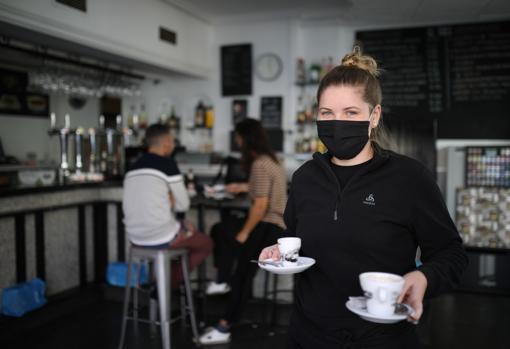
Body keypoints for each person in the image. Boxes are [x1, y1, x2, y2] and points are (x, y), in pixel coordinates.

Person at [259, 47, 469, 348]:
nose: (337, 123)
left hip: (383, 337)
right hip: (309, 335)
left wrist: (424, 278)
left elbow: (451, 254)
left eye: (351, 113)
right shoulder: (305, 177)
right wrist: (279, 250)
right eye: (326, 113)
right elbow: (294, 235)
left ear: (374, 115)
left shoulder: (409, 178)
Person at [199, 118, 289, 345]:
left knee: (227, 242)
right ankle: (224, 289)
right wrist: (240, 187)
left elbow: (260, 207)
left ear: (246, 139)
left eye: (238, 138)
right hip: (278, 226)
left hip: (267, 225)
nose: (237, 142)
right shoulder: (271, 161)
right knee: (242, 271)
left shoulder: (259, 164)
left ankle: (223, 319)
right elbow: (264, 189)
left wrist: (244, 233)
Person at [123, 123, 212, 285]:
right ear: (166, 143)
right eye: (172, 140)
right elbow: (183, 205)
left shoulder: (131, 168)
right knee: (206, 244)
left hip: (135, 239)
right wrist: (170, 201)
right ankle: (163, 285)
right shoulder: (167, 164)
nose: (173, 144)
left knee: (179, 229)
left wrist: (166, 200)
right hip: (161, 237)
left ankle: (160, 284)